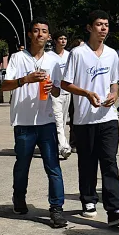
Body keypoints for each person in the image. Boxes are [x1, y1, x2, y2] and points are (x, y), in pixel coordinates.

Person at [60, 10, 119, 226]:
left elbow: (114, 82)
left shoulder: (112, 54)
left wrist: (113, 94)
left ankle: (115, 209)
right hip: (84, 119)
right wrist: (87, 94)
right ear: (89, 28)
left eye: (106, 25)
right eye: (99, 24)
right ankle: (88, 199)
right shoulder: (77, 54)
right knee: (87, 162)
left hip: (108, 118)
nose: (103, 29)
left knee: (109, 161)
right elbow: (65, 84)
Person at [1, 18, 67, 229]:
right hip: (24, 122)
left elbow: (57, 89)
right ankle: (19, 198)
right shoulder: (17, 58)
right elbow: (4, 86)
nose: (40, 34)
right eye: (36, 31)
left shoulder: (53, 61)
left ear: (49, 36)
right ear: (30, 35)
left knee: (53, 167)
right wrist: (25, 80)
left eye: (44, 31)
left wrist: (52, 90)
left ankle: (56, 209)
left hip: (46, 121)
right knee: (22, 164)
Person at [50, 31, 72, 159]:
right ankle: (64, 147)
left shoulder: (69, 56)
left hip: (66, 93)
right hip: (54, 93)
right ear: (55, 41)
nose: (63, 41)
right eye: (60, 39)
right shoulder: (49, 56)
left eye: (65, 39)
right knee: (58, 120)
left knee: (63, 121)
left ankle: (58, 145)